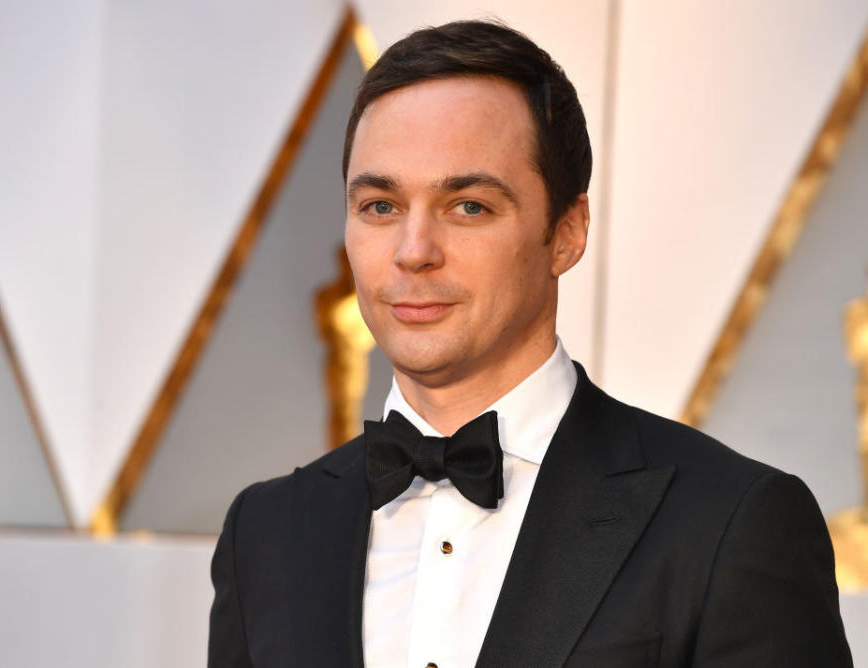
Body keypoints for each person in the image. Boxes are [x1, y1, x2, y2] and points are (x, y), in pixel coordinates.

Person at [208, 20, 852, 667]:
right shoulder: (265, 531)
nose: (413, 253)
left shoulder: (729, 521)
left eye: (468, 207)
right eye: (380, 206)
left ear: (567, 231)